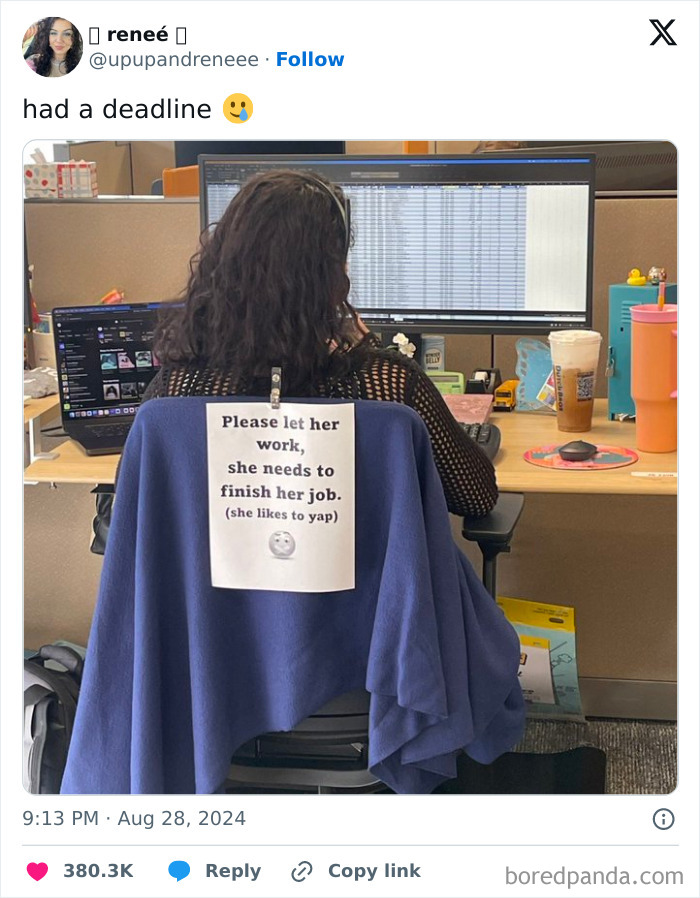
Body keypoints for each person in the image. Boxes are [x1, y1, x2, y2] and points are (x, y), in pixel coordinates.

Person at [143, 170, 498, 518]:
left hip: (216, 579)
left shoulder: (175, 389)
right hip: (369, 580)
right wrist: (368, 349)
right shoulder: (389, 384)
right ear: (331, 279)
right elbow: (477, 496)